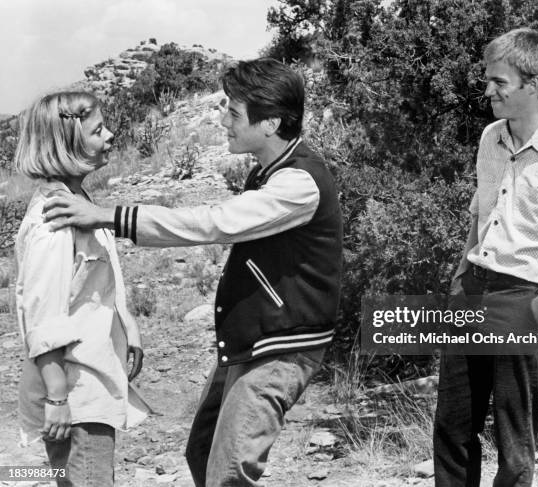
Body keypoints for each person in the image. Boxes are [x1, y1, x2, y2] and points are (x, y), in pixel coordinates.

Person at [42, 58, 343, 486]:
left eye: (233, 113)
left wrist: (108, 216)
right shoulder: (271, 170)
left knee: (230, 472)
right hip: (252, 341)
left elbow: (213, 223)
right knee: (202, 449)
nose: (222, 121)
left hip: (280, 346)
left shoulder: (298, 183)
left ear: (271, 122)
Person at [433, 29, 538, 486]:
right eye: (488, 79)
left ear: (533, 84)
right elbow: (479, 212)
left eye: (499, 82)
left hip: (524, 299)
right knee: (452, 428)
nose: (488, 90)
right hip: (471, 295)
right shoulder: (490, 138)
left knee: (514, 443)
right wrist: (460, 274)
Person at [14, 91, 149, 487]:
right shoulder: (53, 218)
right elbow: (42, 314)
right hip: (75, 391)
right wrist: (56, 399)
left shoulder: (77, 201)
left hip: (91, 380)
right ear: (67, 142)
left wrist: (129, 333)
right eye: (98, 130)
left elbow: (94, 290)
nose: (110, 135)